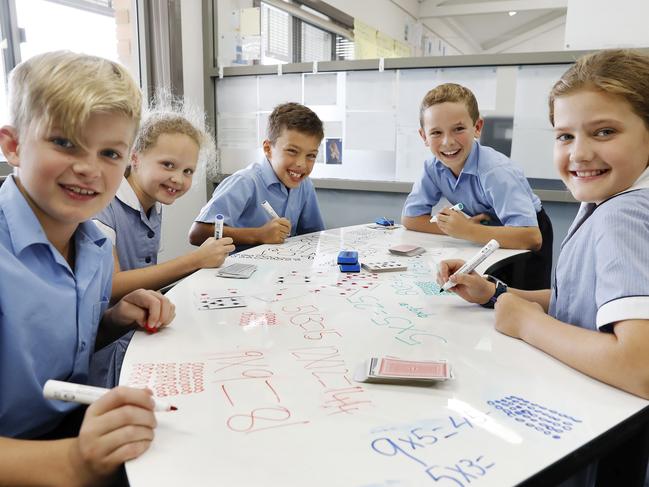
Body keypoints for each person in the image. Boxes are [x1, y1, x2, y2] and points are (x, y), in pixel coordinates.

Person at [0, 51, 175, 486]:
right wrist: (76, 461)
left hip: (75, 428)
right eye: (64, 143)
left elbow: (52, 349)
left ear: (128, 160)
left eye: (110, 152)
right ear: (13, 145)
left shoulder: (96, 244)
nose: (88, 168)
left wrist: (113, 319)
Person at [437, 49, 649, 404]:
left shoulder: (623, 216)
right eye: (565, 136)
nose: (579, 154)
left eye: (605, 131)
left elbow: (638, 366)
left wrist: (527, 324)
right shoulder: (607, 201)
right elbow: (584, 304)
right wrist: (496, 293)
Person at [402, 83, 553, 288]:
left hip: (526, 230)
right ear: (424, 137)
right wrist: (457, 229)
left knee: (518, 300)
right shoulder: (432, 167)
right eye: (436, 132)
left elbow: (532, 237)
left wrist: (466, 231)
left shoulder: (495, 171)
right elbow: (411, 218)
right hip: (484, 230)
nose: (447, 142)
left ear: (477, 128)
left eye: (458, 129)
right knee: (480, 295)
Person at [93, 97, 235, 301]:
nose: (178, 179)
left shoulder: (153, 203)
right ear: (135, 158)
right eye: (168, 165)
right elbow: (111, 285)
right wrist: (195, 260)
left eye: (188, 171)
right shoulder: (103, 207)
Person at [189, 102, 325, 251]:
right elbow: (198, 233)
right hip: (236, 270)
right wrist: (258, 234)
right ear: (268, 149)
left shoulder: (304, 185)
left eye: (311, 155)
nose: (301, 164)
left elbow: (314, 235)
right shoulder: (245, 182)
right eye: (292, 151)